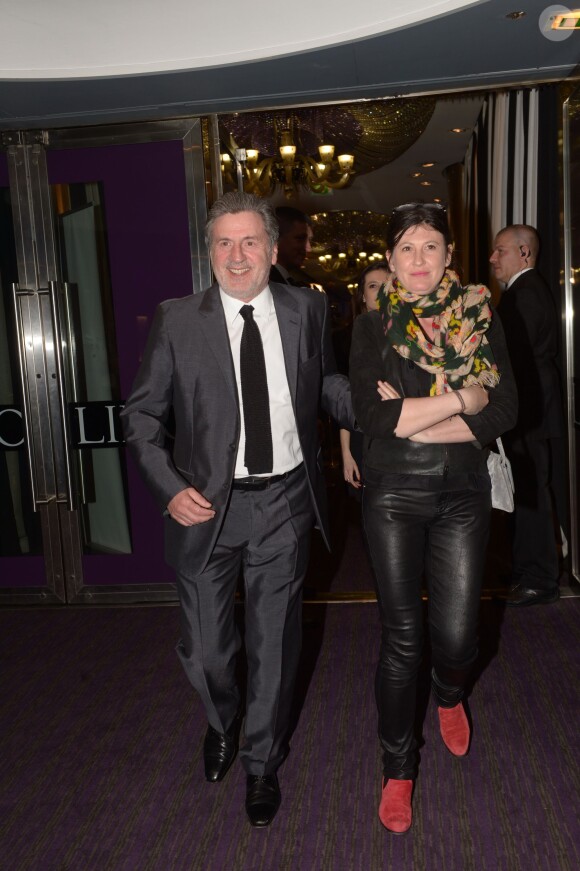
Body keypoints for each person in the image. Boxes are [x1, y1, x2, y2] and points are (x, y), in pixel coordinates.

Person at [121, 191, 354, 827]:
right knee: (204, 653)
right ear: (210, 251)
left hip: (283, 501)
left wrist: (377, 408)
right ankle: (221, 721)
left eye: (249, 241)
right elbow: (140, 417)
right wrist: (169, 487)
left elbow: (326, 381)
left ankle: (261, 763)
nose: (236, 255)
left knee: (274, 644)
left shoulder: (307, 307)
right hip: (205, 509)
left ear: (273, 250)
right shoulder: (177, 320)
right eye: (223, 242)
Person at [349, 203, 517, 834]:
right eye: (406, 249)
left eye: (431, 247)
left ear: (449, 257)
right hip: (392, 495)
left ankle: (450, 691)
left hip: (463, 496)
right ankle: (397, 770)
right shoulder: (371, 329)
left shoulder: (480, 317)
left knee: (456, 636)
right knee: (402, 639)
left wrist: (418, 419)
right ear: (390, 259)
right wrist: (460, 400)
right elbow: (373, 418)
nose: (418, 260)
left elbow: (503, 412)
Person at [489, 225, 564, 605]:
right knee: (525, 494)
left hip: (530, 412)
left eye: (499, 250)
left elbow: (512, 360)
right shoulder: (524, 292)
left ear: (524, 253)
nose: (492, 258)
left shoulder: (526, 293)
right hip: (531, 411)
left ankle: (539, 579)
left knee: (532, 497)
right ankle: (526, 570)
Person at [340, 261, 391, 493]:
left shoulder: (412, 334)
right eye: (373, 286)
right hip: (363, 435)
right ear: (362, 295)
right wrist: (346, 453)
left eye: (386, 284)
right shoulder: (348, 337)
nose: (381, 291)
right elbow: (343, 399)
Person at [269, 206, 313, 286]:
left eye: (309, 240)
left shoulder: (281, 279)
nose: (309, 249)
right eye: (300, 239)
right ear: (275, 239)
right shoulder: (267, 283)